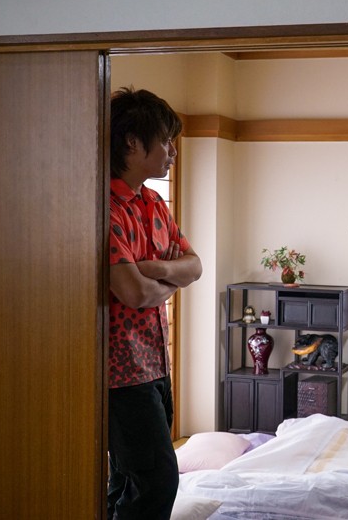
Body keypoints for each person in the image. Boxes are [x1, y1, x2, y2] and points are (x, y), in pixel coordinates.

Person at [107, 87, 203, 519]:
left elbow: (195, 265)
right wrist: (169, 279)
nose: (172, 152)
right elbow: (133, 292)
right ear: (132, 143)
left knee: (127, 482)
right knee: (158, 480)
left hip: (156, 362)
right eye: (165, 141)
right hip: (121, 372)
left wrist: (156, 269)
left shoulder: (154, 202)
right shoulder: (105, 207)